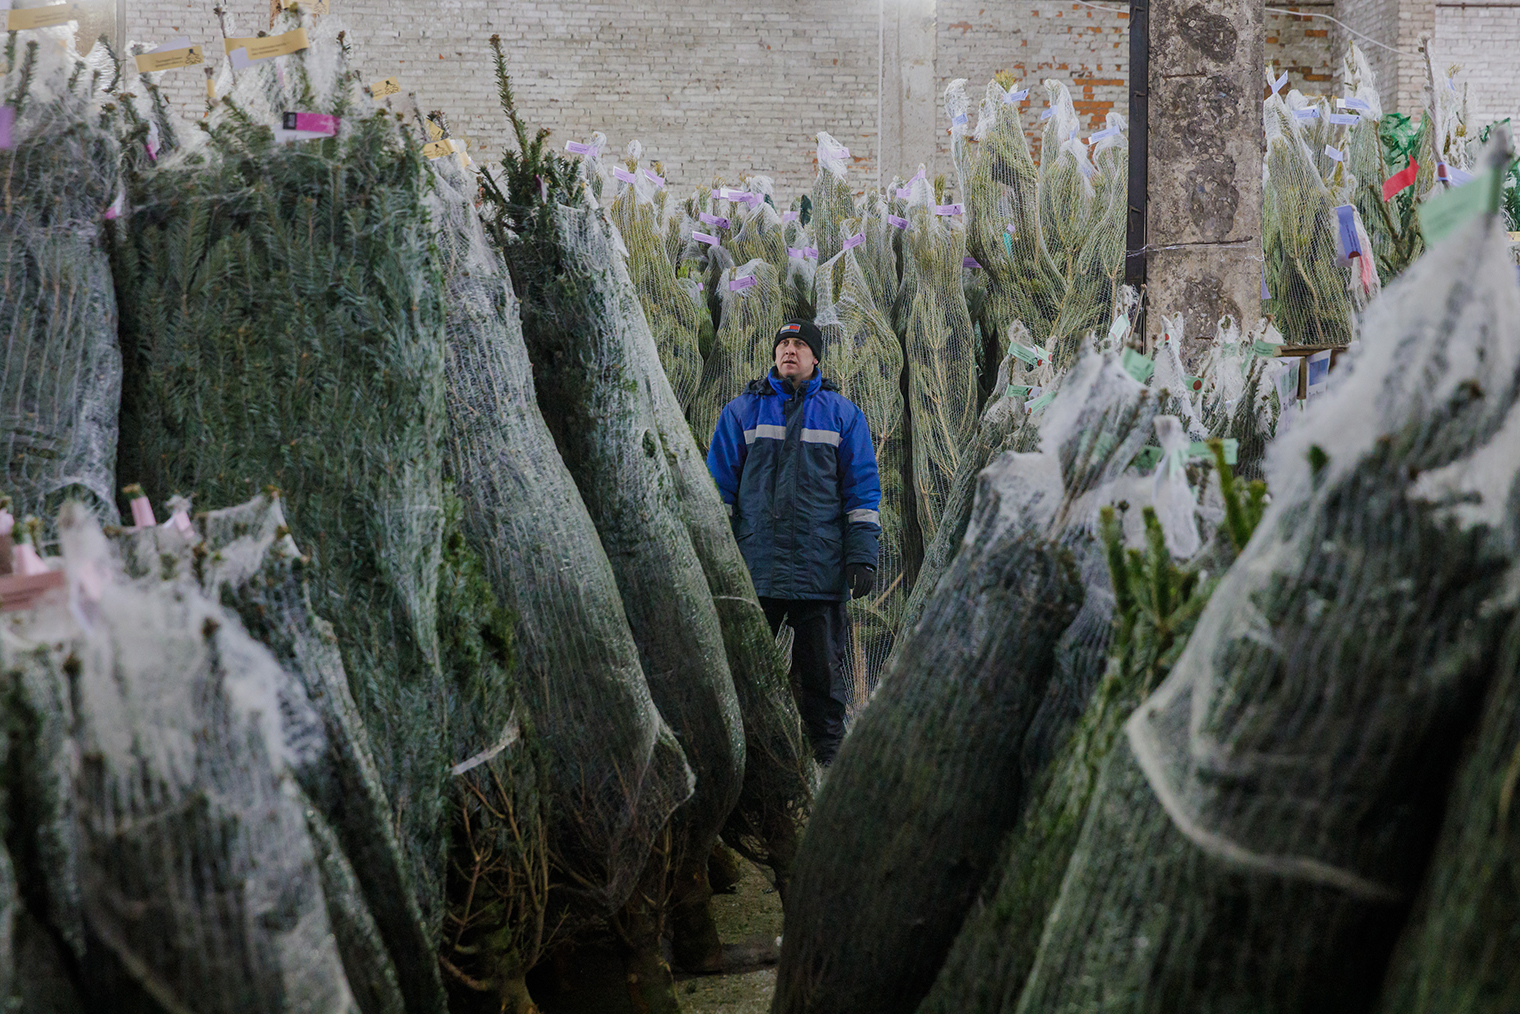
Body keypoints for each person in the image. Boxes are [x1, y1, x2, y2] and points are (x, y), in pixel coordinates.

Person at [705, 318, 881, 764]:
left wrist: (862, 555)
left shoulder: (843, 414)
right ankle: (745, 759)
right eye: (783, 343)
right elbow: (717, 489)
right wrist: (715, 556)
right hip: (754, 569)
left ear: (815, 357)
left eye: (799, 344)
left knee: (821, 678)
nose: (789, 350)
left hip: (817, 570)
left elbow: (862, 490)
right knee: (744, 669)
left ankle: (826, 762)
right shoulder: (742, 411)